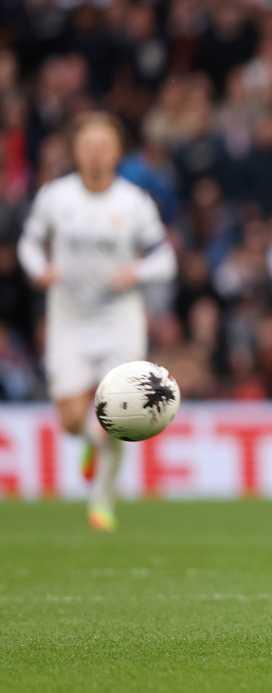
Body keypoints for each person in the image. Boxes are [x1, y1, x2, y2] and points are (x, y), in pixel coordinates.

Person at [18, 111, 177, 531]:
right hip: (68, 318)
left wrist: (136, 273)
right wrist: (38, 269)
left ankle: (102, 501)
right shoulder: (56, 197)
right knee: (73, 421)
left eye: (104, 146)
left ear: (117, 152)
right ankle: (90, 438)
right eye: (88, 146)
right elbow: (30, 244)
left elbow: (164, 258)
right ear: (75, 150)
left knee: (117, 416)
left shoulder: (133, 203)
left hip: (119, 319)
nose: (95, 154)